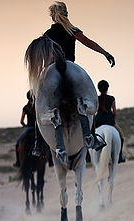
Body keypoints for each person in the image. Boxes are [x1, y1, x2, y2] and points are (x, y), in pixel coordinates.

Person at [32, 1, 115, 156]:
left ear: (52, 18)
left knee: (37, 101)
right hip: (71, 66)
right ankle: (92, 136)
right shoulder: (72, 30)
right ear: (66, 15)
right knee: (88, 97)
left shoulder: (47, 35)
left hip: (51, 68)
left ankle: (38, 144)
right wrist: (106, 53)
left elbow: (43, 59)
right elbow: (89, 43)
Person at [95, 80, 126, 163]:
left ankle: (87, 156)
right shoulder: (112, 98)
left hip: (98, 121)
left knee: (89, 136)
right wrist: (113, 120)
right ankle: (119, 156)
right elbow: (115, 112)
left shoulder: (96, 99)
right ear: (107, 88)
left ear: (99, 89)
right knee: (121, 136)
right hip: (109, 121)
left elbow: (95, 111)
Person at [13, 91, 35, 167]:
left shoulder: (25, 108)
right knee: (48, 144)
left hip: (28, 128)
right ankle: (51, 161)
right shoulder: (37, 107)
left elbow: (21, 121)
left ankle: (18, 161)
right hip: (37, 129)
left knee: (17, 142)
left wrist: (25, 126)